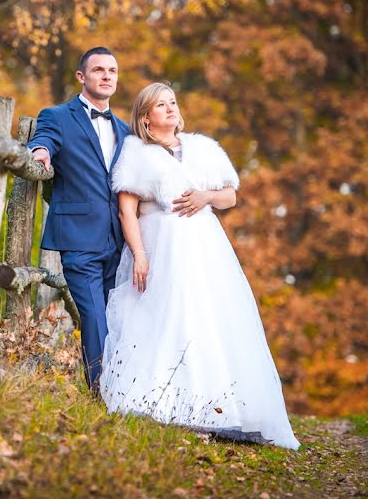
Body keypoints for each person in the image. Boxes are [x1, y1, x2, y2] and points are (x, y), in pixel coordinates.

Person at [99, 82, 300, 450]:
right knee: (167, 314)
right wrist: (140, 255)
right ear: (146, 118)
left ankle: (221, 405)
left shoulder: (203, 149)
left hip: (205, 245)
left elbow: (230, 196)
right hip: (161, 243)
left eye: (173, 102)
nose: (171, 109)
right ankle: (166, 401)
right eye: (161, 105)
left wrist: (207, 195)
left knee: (209, 315)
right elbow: (127, 209)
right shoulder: (136, 153)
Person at [28, 47, 132, 393]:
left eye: (112, 71)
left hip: (119, 240)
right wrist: (40, 152)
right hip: (78, 238)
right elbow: (44, 140)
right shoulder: (57, 116)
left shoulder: (125, 130)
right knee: (93, 315)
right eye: (99, 69)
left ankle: (125, 388)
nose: (106, 76)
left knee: (118, 317)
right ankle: (103, 393)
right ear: (81, 77)